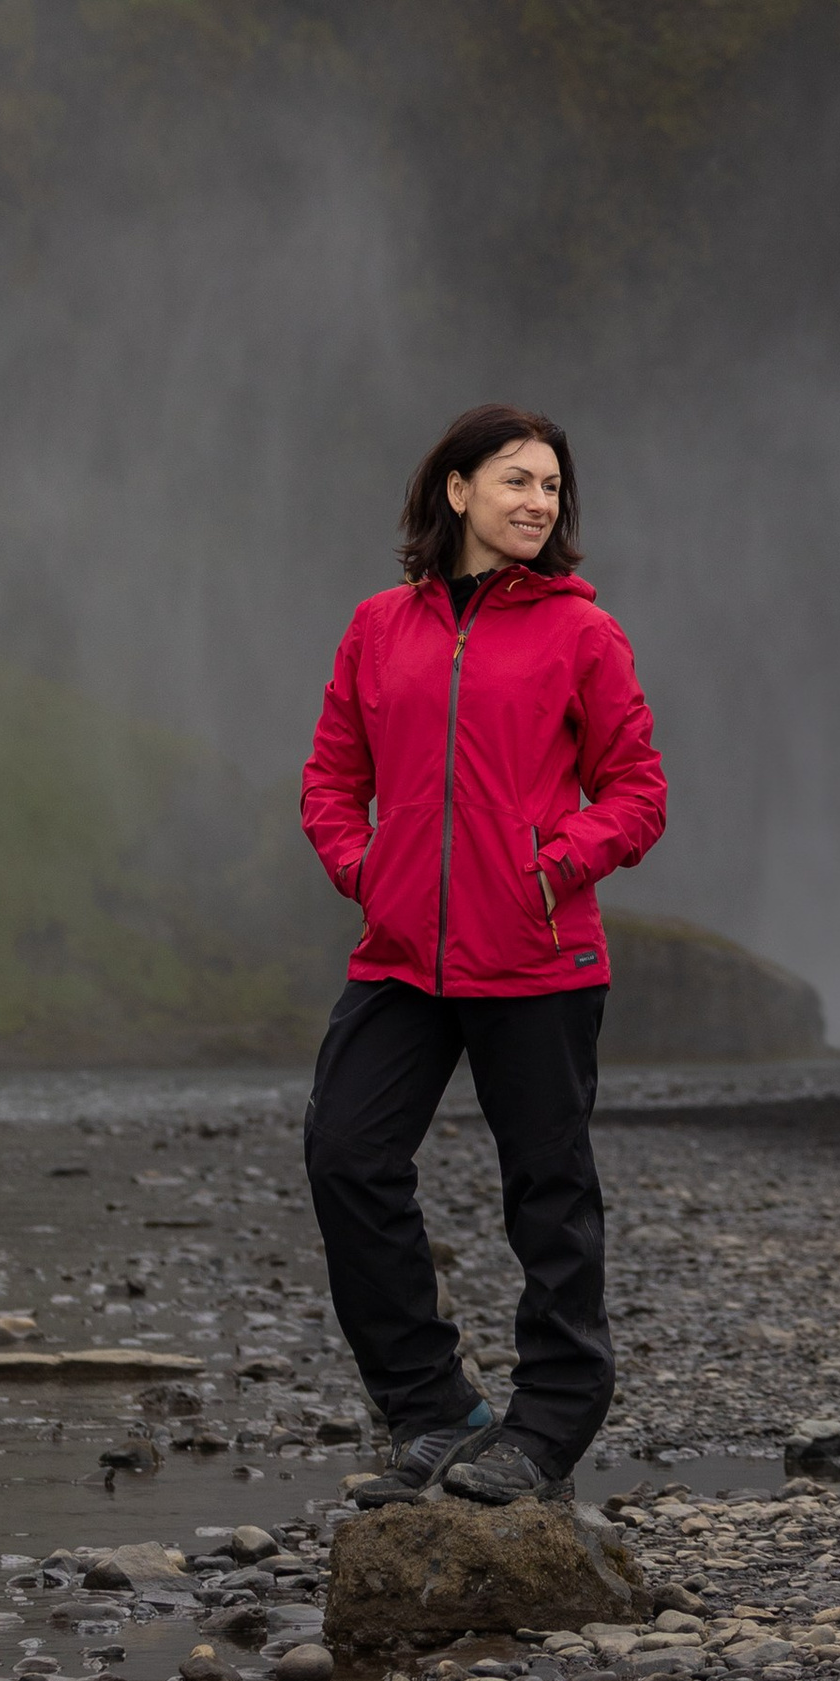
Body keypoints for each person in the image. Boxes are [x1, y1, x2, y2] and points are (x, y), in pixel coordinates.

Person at [299, 402, 667, 1508]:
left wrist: (553, 868)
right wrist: (365, 869)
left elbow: (637, 793)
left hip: (538, 956)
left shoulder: (583, 634)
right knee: (345, 1155)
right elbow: (331, 781)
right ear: (457, 489)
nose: (537, 502)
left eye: (551, 486)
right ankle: (432, 1408)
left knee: (547, 1197)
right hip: (401, 953)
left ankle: (547, 1427)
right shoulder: (378, 627)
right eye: (516, 479)